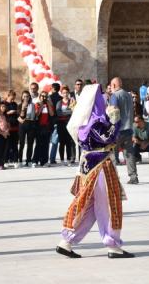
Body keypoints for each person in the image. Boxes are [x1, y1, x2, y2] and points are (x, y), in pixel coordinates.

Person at [57, 83, 134, 259]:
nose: (104, 101)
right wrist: (115, 120)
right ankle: (113, 245)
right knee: (108, 204)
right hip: (100, 165)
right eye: (101, 98)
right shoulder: (95, 122)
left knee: (89, 207)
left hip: (89, 166)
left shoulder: (84, 121)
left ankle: (67, 242)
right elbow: (109, 137)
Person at [109, 77, 137, 183]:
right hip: (128, 128)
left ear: (114, 85)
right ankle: (133, 176)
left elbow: (113, 113)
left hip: (118, 130)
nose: (111, 88)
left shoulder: (115, 96)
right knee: (129, 154)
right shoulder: (129, 95)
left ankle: (112, 179)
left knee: (112, 155)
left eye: (111, 85)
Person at [55, 85, 77, 165]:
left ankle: (68, 159)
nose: (65, 94)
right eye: (64, 93)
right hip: (61, 124)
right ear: (61, 93)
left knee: (68, 142)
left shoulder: (71, 101)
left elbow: (73, 111)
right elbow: (58, 113)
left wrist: (66, 112)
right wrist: (68, 112)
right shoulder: (59, 102)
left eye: (67, 92)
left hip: (69, 124)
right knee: (62, 142)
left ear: (68, 93)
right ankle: (61, 159)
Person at [33, 88, 54, 167]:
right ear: (40, 96)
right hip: (39, 127)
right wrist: (41, 105)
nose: (44, 98)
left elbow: (51, 114)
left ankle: (44, 161)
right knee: (38, 144)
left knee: (46, 144)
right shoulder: (37, 104)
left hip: (47, 127)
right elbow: (37, 114)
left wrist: (48, 105)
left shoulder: (49, 104)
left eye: (46, 96)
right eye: (42, 96)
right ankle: (35, 160)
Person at [18, 90, 36, 167]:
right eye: (24, 96)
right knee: (21, 143)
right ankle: (20, 160)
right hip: (22, 124)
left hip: (31, 124)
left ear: (29, 97)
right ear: (22, 97)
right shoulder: (19, 105)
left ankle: (29, 160)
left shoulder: (32, 105)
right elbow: (21, 116)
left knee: (30, 143)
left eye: (27, 96)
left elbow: (34, 115)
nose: (26, 98)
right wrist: (23, 108)